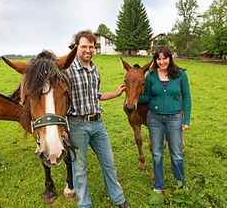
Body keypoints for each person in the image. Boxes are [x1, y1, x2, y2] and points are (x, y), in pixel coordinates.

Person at [66, 30, 130, 208]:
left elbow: (95, 95)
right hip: (77, 125)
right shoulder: (68, 71)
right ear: (76, 47)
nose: (88, 50)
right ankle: (84, 204)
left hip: (98, 123)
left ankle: (118, 199)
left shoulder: (94, 70)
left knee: (109, 163)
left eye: (91, 46)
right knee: (79, 169)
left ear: (95, 48)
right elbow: (60, 101)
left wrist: (116, 94)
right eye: (84, 46)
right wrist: (63, 128)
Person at [139, 46, 191, 194]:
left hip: (174, 118)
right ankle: (158, 185)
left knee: (176, 153)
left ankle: (181, 183)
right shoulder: (151, 76)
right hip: (154, 119)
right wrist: (133, 97)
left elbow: (186, 97)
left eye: (164, 58)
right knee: (157, 152)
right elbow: (148, 96)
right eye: (158, 59)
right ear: (155, 60)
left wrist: (186, 120)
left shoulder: (180, 74)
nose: (162, 62)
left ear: (170, 58)